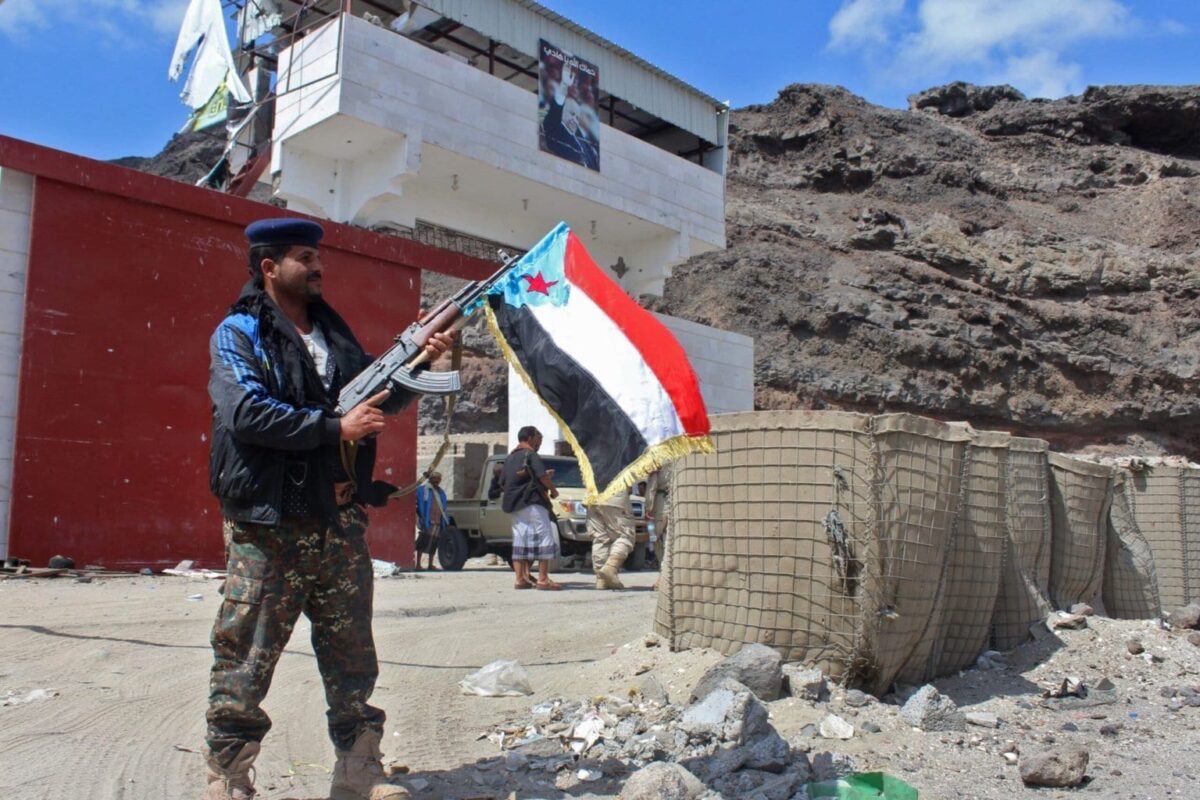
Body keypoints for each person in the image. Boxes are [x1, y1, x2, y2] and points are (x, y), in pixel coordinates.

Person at [204, 217, 454, 800]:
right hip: (270, 526)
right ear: (269, 268)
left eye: (318, 258)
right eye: (302, 258)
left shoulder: (331, 339)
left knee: (351, 656)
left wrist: (420, 363)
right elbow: (246, 412)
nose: (317, 268)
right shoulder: (238, 334)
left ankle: (359, 768)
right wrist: (334, 426)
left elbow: (378, 399)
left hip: (338, 523)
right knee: (246, 656)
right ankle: (229, 775)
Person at [501, 426, 561, 590]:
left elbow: (504, 482)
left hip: (515, 505)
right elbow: (541, 476)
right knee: (544, 536)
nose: (539, 445)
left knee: (520, 539)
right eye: (538, 440)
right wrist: (553, 490)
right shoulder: (531, 455)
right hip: (533, 502)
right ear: (530, 438)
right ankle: (543, 579)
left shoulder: (510, 458)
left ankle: (520, 579)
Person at [540, 63, 600, 170]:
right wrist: (564, 85)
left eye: (577, 117)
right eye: (571, 114)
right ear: (562, 113)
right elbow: (555, 111)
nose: (574, 120)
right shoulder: (556, 130)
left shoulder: (581, 138)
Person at [587, 488, 635, 590]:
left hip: (592, 497)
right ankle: (610, 567)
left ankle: (601, 579)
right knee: (626, 535)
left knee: (600, 538)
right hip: (615, 498)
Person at [414, 471, 448, 571]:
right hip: (427, 521)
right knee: (422, 542)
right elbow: (418, 500)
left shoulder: (441, 492)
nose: (437, 481)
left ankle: (430, 564)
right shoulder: (424, 490)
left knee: (434, 543)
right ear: (431, 480)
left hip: (438, 522)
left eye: (438, 479)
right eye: (434, 479)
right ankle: (418, 564)